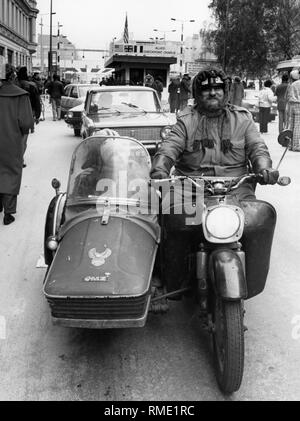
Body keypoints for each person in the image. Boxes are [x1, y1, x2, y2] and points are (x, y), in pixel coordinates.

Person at [150, 67, 279, 294]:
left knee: (261, 220)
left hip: (236, 189)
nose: (212, 93)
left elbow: (258, 147)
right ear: (197, 94)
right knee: (168, 217)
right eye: (206, 89)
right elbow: (169, 147)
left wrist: (264, 167)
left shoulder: (243, 119)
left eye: (217, 88)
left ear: (226, 91)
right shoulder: (185, 120)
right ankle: (167, 276)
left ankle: (251, 278)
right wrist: (160, 168)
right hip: (191, 188)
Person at [0, 59, 34, 225]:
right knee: (11, 173)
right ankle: (8, 213)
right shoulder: (20, 95)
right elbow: (26, 123)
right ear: (12, 75)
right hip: (11, 140)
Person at [286, 69, 300, 151]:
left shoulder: (293, 84)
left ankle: (290, 145)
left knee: (292, 125)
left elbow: (288, 96)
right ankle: (296, 146)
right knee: (298, 127)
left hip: (292, 105)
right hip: (299, 105)